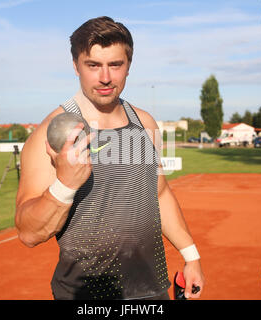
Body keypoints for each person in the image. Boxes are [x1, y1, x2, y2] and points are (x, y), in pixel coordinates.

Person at [15, 16, 204, 300]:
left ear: (128, 66)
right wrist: (64, 186)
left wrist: (191, 256)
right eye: (93, 65)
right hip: (84, 296)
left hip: (151, 292)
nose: (105, 77)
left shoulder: (144, 123)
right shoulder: (51, 135)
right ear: (76, 66)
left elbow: (159, 194)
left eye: (115, 65)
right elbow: (28, 233)